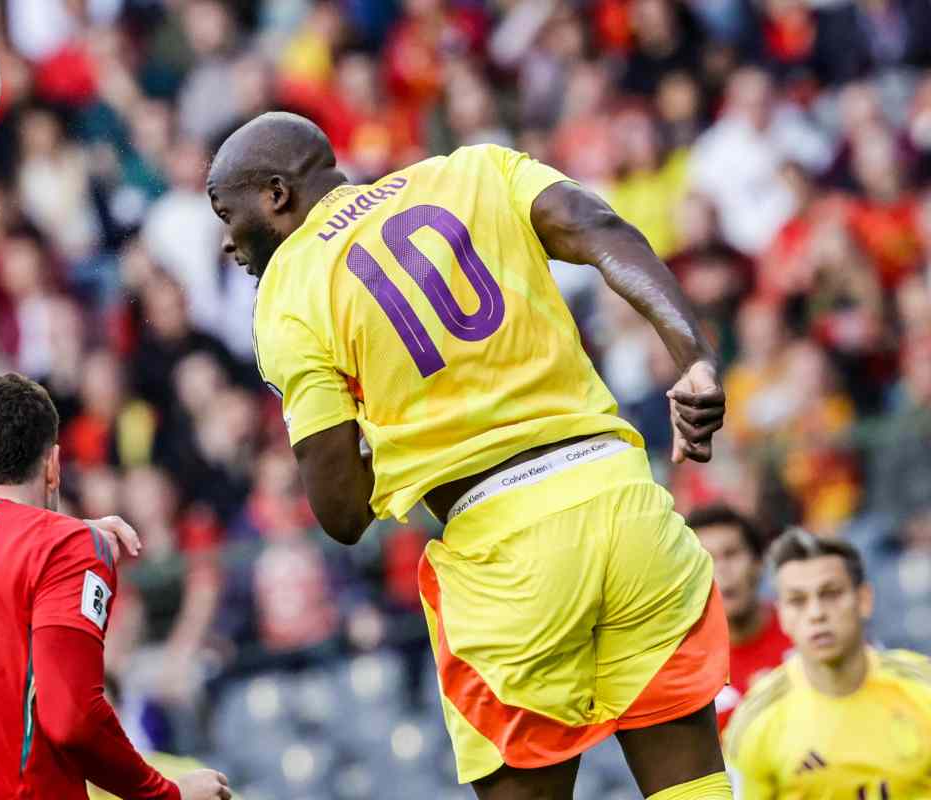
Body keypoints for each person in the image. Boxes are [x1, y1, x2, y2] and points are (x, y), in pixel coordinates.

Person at [207, 111, 731, 799]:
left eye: (226, 211)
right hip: (626, 505)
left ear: (277, 195)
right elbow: (599, 227)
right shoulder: (475, 169)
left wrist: (387, 422)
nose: (226, 240)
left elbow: (340, 513)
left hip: (504, 556)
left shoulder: (290, 289)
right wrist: (694, 359)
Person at [0, 374, 231, 800]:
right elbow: (73, 719)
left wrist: (60, 538)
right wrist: (167, 794)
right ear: (54, 467)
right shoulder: (64, 545)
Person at [724, 529, 931, 797]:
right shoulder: (755, 720)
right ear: (783, 614)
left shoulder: (923, 687)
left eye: (831, 594)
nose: (817, 613)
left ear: (864, 599)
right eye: (798, 600)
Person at [688, 506, 791, 731]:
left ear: (758, 563)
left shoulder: (806, 632)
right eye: (706, 558)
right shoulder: (682, 668)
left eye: (732, 553)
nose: (722, 569)